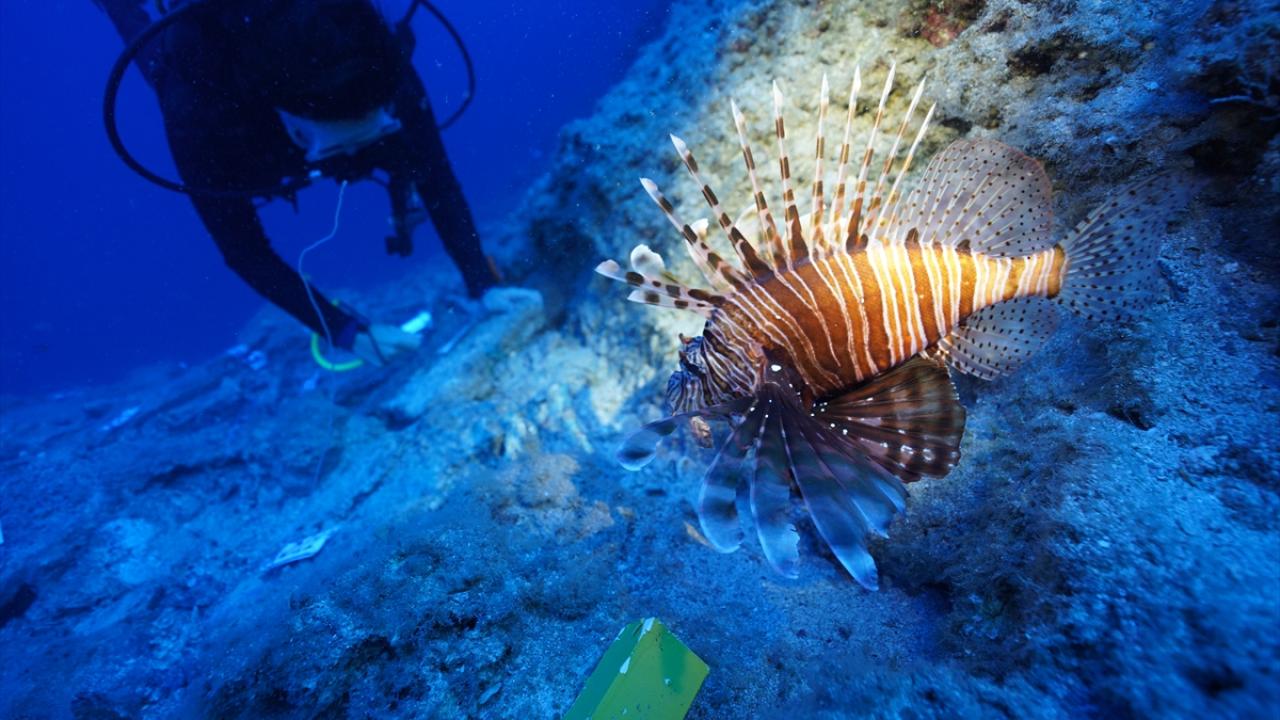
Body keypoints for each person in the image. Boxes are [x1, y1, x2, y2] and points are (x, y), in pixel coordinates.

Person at [94, 0, 501, 365]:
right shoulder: (200, 111)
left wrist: (483, 286)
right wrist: (343, 331)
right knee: (142, 37)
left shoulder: (378, 59)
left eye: (375, 125)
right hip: (228, 90)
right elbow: (244, 251)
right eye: (339, 140)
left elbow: (439, 180)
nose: (359, 150)